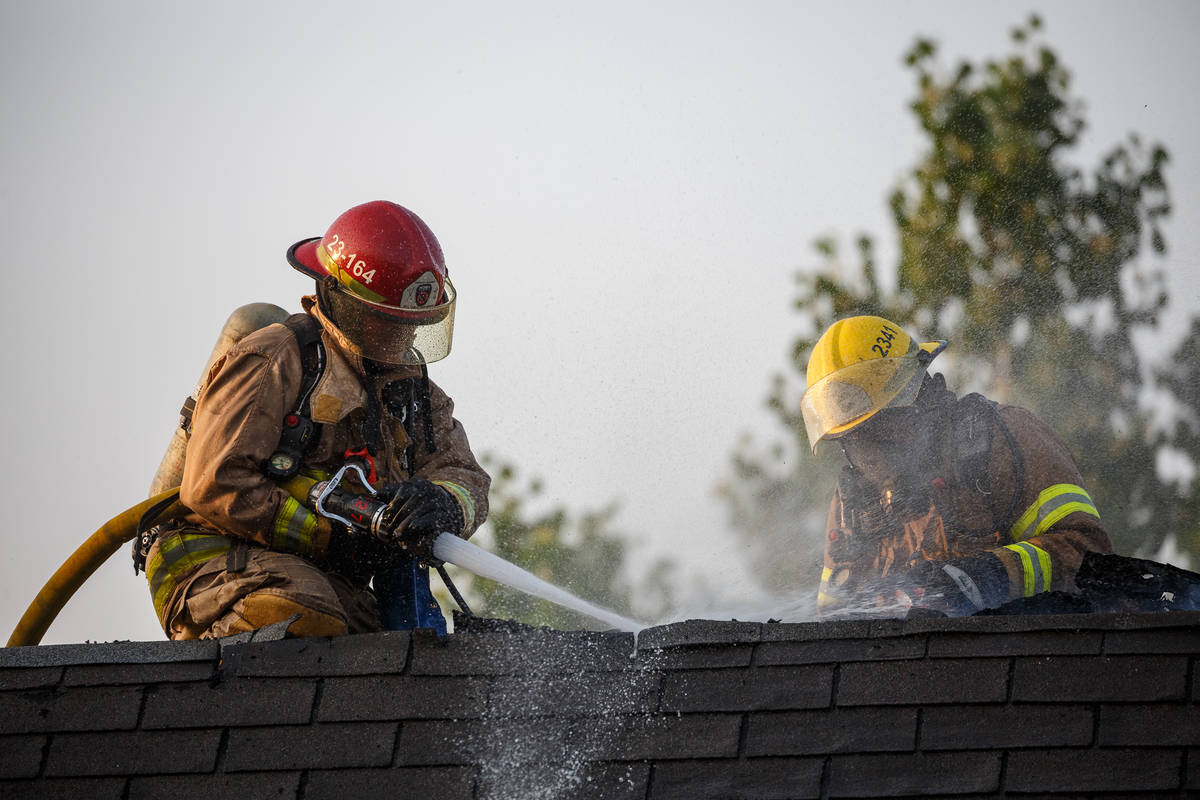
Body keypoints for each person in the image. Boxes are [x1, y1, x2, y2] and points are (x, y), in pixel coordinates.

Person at [144, 201, 491, 639]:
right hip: (208, 559)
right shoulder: (274, 359)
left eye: (415, 324)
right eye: (389, 321)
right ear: (344, 302)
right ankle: (207, 663)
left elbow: (465, 475)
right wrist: (333, 537)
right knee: (301, 613)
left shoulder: (414, 393)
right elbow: (214, 482)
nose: (405, 336)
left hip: (319, 575)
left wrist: (444, 503)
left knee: (401, 651)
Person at [801, 315, 1112, 617]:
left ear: (916, 399)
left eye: (879, 430)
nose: (871, 456)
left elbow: (1092, 558)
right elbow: (835, 616)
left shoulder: (1001, 442)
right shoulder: (853, 504)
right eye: (855, 440)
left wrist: (991, 575)